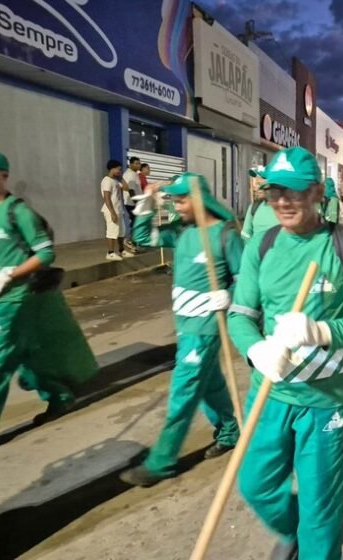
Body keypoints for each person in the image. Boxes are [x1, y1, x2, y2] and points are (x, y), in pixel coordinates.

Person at [228, 146, 343, 560]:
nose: (281, 201)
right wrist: (255, 350)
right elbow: (239, 315)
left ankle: (315, 541)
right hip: (270, 393)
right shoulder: (261, 245)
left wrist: (321, 330)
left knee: (319, 509)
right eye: (273, 191)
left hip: (324, 400)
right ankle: (295, 529)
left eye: (293, 192)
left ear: (317, 193)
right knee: (255, 484)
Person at [120, 173, 242, 487]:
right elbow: (145, 239)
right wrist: (146, 203)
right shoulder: (181, 232)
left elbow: (245, 280)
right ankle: (230, 430)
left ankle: (160, 463)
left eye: (182, 199)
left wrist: (229, 296)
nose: (177, 205)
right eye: (174, 199)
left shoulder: (225, 235)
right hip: (185, 326)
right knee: (210, 384)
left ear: (200, 199)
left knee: (183, 393)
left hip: (206, 328)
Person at [0, 148, 98, 441]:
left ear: (3, 175)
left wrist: (7, 277)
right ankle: (59, 395)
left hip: (14, 299)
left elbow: (44, 253)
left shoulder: (17, 212)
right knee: (24, 355)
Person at [101, 160, 133, 261]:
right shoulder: (106, 181)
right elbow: (106, 198)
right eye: (118, 169)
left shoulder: (115, 181)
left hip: (119, 210)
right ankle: (110, 253)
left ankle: (121, 250)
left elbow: (127, 188)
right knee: (112, 232)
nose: (120, 171)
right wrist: (112, 213)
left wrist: (120, 177)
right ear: (112, 168)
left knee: (121, 232)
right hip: (111, 211)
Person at [242, 167, 280, 243]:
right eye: (255, 184)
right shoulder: (254, 207)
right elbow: (245, 235)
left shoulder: (286, 208)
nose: (256, 188)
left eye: (259, 184)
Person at [122, 157, 142, 251]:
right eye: (136, 163)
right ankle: (129, 240)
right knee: (135, 223)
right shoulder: (129, 175)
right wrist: (137, 203)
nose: (138, 165)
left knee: (135, 223)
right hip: (132, 203)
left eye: (139, 163)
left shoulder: (134, 174)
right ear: (130, 164)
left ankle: (134, 244)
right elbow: (131, 190)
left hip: (135, 203)